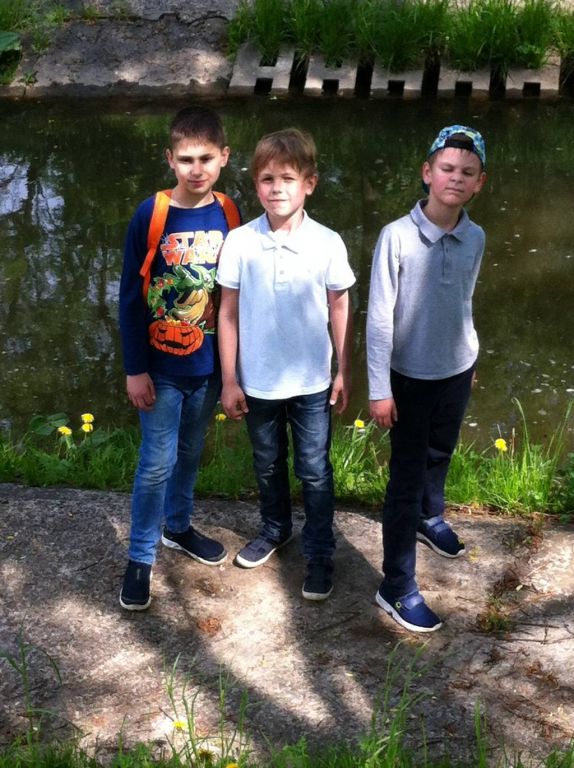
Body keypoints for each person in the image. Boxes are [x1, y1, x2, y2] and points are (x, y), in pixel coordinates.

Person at [217, 128, 355, 601]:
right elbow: (227, 313)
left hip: (312, 382)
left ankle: (320, 551)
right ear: (255, 184)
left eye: (288, 179)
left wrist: (343, 370)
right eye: (267, 179)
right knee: (267, 463)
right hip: (257, 382)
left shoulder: (328, 242)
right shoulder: (239, 242)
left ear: (309, 184)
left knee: (314, 470)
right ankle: (276, 529)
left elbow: (340, 306)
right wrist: (230, 379)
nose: (277, 188)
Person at [118, 105, 240, 611]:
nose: (196, 169)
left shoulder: (230, 213)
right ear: (170, 159)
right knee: (155, 463)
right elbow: (130, 297)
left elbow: (235, 298)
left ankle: (179, 526)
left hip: (208, 367)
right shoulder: (152, 214)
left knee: (190, 452)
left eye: (205, 158)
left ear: (224, 157)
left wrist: (234, 371)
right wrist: (135, 369)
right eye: (186, 159)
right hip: (160, 367)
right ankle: (140, 557)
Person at [366, 125, 487, 632]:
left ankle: (428, 516)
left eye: (467, 172)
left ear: (479, 183)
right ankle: (396, 586)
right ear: (427, 173)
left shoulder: (475, 237)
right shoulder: (396, 236)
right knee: (405, 478)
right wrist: (379, 389)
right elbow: (379, 319)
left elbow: (463, 300)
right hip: (410, 378)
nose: (455, 178)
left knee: (441, 451)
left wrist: (467, 358)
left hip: (456, 369)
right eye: (447, 169)